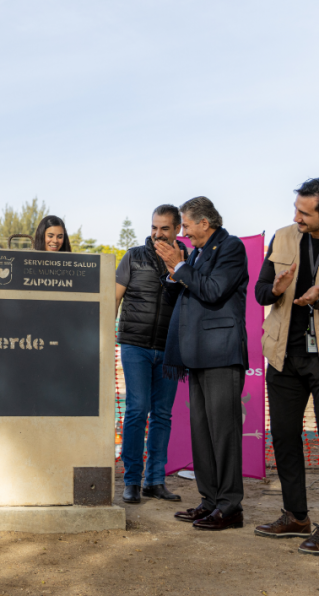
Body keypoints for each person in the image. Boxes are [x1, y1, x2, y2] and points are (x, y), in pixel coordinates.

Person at [155, 196, 249, 531]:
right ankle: (210, 501)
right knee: (203, 433)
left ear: (205, 223)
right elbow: (179, 295)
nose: (185, 231)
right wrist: (173, 274)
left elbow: (212, 290)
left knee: (223, 433)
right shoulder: (195, 253)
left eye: (187, 224)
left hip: (221, 353)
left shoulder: (231, 248)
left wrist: (182, 268)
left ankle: (230, 506)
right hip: (196, 352)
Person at [252, 177, 319, 555]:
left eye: (305, 213)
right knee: (285, 438)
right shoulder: (283, 237)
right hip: (283, 356)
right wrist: (276, 289)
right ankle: (296, 516)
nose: (296, 218)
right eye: (296, 209)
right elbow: (261, 291)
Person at [115, 205, 188, 504]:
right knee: (136, 409)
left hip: (170, 348)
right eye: (154, 227)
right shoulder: (133, 256)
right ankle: (132, 480)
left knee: (162, 414)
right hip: (135, 345)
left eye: (165, 229)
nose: (157, 234)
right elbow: (114, 297)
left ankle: (155, 481)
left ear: (178, 230)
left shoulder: (188, 259)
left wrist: (180, 267)